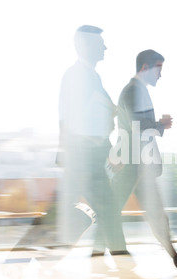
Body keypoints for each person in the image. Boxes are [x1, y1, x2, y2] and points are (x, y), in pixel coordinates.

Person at [113, 49, 177, 268]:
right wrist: (161, 125)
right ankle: (118, 258)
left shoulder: (138, 91)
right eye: (158, 68)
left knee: (156, 211)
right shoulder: (133, 91)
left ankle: (174, 255)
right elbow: (136, 127)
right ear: (144, 68)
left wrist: (158, 125)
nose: (160, 74)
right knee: (110, 210)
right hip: (131, 162)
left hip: (140, 163)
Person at [57, 25, 127, 255]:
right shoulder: (78, 76)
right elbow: (70, 119)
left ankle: (121, 264)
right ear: (85, 45)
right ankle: (124, 267)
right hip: (84, 157)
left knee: (105, 210)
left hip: (90, 156)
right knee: (105, 211)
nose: (105, 47)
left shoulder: (90, 76)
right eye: (100, 43)